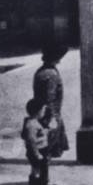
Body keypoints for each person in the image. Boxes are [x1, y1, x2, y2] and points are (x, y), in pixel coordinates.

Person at [32, 43, 68, 174]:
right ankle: (41, 182)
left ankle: (43, 180)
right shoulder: (51, 74)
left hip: (40, 115)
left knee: (43, 150)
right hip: (48, 117)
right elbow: (50, 99)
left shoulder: (41, 71)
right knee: (46, 150)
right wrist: (52, 119)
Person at [21, 98, 51, 185]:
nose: (43, 113)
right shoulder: (32, 124)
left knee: (37, 170)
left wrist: (45, 132)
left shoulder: (34, 122)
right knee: (36, 171)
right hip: (36, 151)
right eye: (42, 110)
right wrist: (37, 153)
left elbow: (38, 135)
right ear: (37, 112)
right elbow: (31, 140)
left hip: (40, 150)